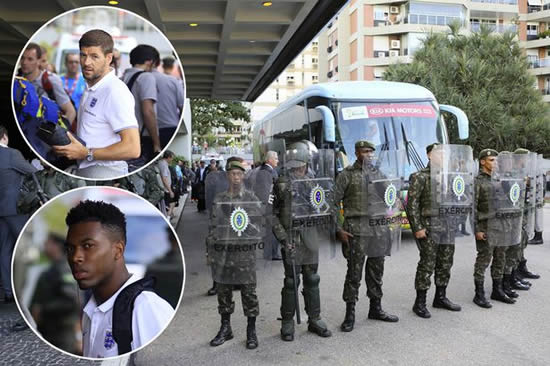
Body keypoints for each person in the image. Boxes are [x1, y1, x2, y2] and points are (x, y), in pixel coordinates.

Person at [64, 200, 174, 358]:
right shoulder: (91, 312)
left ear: (118, 250)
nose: (75, 257)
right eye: (70, 248)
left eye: (87, 246)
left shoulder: (145, 309)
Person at [51, 30, 141, 178]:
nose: (86, 62)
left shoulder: (115, 91)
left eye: (94, 56)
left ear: (109, 58)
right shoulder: (92, 86)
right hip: (88, 169)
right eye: (83, 55)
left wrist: (86, 153)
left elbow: (132, 148)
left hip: (105, 173)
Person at [334, 141, 399, 331]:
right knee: (354, 273)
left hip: (378, 229)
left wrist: (392, 207)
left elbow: (390, 197)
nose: (369, 154)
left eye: (371, 152)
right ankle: (350, 314)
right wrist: (338, 228)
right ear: (356, 153)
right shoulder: (347, 175)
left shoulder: (378, 173)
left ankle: (375, 308)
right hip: (356, 230)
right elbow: (332, 203)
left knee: (376, 271)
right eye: (365, 151)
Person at [272, 142, 332, 341]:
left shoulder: (312, 183)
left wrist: (325, 213)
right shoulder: (280, 184)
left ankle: (314, 318)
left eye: (302, 165)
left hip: (309, 237)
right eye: (296, 166)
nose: (300, 169)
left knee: (312, 278)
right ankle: (287, 321)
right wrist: (282, 236)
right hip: (291, 238)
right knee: (291, 281)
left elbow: (322, 206)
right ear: (290, 165)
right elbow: (270, 214)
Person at [207, 161, 261, 349]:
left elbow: (258, 228)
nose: (236, 177)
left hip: (244, 254)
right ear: (227, 176)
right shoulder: (219, 199)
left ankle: (251, 330)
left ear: (243, 176)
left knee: (249, 293)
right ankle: (225, 328)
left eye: (239, 173)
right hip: (223, 253)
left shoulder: (251, 199)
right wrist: (210, 252)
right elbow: (212, 227)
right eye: (232, 174)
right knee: (223, 292)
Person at [407, 143, 462, 319]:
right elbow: (412, 205)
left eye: (446, 154)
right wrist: (417, 228)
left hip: (448, 227)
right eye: (439, 153)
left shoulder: (450, 177)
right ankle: (420, 302)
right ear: (429, 155)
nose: (443, 156)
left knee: (445, 263)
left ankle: (440, 297)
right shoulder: (419, 177)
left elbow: (457, 199)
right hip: (429, 228)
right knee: (427, 264)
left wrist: (458, 221)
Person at [472, 149, 515, 308]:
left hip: (503, 225)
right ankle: (479, 294)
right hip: (487, 226)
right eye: (491, 160)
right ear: (482, 161)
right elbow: (473, 208)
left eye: (496, 160)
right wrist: (477, 229)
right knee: (483, 260)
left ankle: (497, 290)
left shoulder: (500, 179)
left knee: (500, 258)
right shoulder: (477, 182)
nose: (495, 163)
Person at [0, 125, 37, 303]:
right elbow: (32, 171)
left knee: (5, 250)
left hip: (2, 212)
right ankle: (30, 290)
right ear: (4, 137)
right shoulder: (11, 154)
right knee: (27, 247)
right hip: (15, 208)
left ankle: (9, 292)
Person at [30, 233, 80, 353]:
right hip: (49, 332)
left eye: (47, 242)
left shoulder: (63, 269)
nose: (44, 245)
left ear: (56, 246)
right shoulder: (55, 268)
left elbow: (72, 301)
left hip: (60, 334)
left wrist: (42, 309)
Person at [121, 44, 161, 162]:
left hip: (122, 136)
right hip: (142, 138)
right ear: (149, 62)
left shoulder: (122, 78)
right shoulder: (146, 77)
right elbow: (148, 111)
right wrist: (156, 143)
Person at [20, 43, 76, 124]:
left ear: (39, 61)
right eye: (22, 58)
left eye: (30, 59)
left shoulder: (50, 80)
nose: (24, 62)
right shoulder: (17, 80)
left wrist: (61, 133)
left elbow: (70, 111)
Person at [151, 55, 184, 148]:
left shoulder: (143, 79)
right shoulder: (174, 81)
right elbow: (181, 105)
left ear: (162, 65)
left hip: (148, 129)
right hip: (169, 125)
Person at [158, 150, 177, 218]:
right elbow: (164, 179)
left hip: (164, 188)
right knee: (172, 204)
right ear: (168, 157)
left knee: (167, 205)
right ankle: (167, 218)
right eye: (172, 158)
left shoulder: (161, 163)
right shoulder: (164, 165)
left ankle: (168, 216)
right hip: (165, 189)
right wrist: (170, 190)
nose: (172, 160)